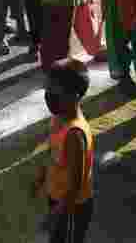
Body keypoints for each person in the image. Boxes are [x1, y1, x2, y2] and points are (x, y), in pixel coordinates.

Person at [32, 58, 95, 243]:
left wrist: (56, 215)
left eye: (53, 89)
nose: (48, 94)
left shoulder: (75, 135)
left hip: (72, 207)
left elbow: (75, 185)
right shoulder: (57, 118)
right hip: (57, 199)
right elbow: (52, 153)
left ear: (73, 95)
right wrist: (42, 177)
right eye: (47, 88)